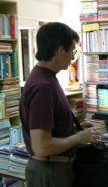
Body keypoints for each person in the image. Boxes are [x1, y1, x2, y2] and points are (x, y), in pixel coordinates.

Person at [19, 22, 101, 187]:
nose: (72, 57)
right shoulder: (42, 86)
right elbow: (42, 146)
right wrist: (79, 137)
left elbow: (51, 128)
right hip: (50, 171)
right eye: (72, 50)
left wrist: (74, 129)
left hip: (56, 168)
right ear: (59, 50)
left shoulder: (47, 78)